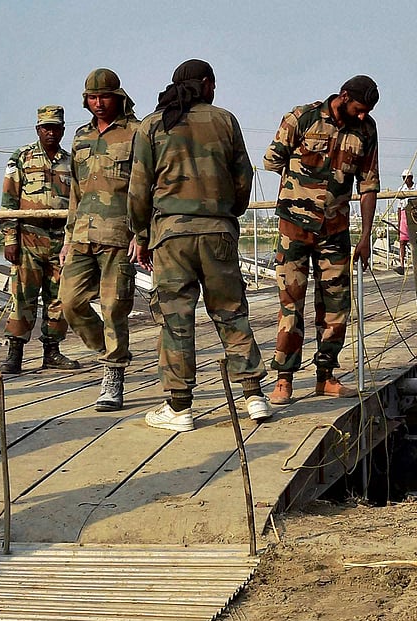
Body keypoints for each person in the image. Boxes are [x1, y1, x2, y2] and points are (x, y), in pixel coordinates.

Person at [129, 59, 272, 431]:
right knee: (231, 311)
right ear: (206, 83)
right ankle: (254, 395)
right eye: (213, 83)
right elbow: (244, 175)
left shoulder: (151, 125)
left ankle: (179, 408)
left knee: (176, 318)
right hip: (218, 232)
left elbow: (139, 188)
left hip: (171, 235)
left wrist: (141, 235)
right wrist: (228, 214)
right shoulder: (225, 120)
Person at [262, 75, 380, 405]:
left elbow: (368, 184)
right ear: (343, 97)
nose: (362, 115)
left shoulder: (367, 130)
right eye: (358, 108)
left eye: (366, 111)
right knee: (291, 305)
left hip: (335, 232)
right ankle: (284, 378)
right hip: (294, 230)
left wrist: (366, 235)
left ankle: (325, 376)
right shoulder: (302, 118)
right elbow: (272, 159)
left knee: (336, 307)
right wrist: (300, 179)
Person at [61, 68, 142, 412]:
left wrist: (142, 232)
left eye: (104, 97)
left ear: (118, 97)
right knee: (69, 303)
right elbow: (75, 194)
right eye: (92, 98)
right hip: (81, 234)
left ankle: (113, 375)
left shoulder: (137, 133)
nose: (98, 104)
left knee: (114, 307)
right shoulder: (80, 138)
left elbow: (145, 187)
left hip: (119, 236)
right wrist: (67, 238)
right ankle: (109, 351)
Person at [0, 105, 81, 374]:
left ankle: (52, 352)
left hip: (60, 240)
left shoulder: (71, 162)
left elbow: (78, 201)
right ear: (38, 129)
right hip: (29, 238)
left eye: (55, 127)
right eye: (46, 127)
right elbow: (9, 200)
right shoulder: (21, 158)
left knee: (59, 298)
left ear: (62, 130)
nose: (50, 132)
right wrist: (10, 238)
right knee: (23, 296)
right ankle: (15, 353)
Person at [394, 168, 417, 273]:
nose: (405, 180)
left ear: (411, 178)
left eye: (407, 178)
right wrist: (399, 222)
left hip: (415, 215)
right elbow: (399, 208)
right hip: (405, 216)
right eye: (404, 178)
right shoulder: (401, 189)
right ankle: (402, 264)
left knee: (416, 241)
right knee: (402, 242)